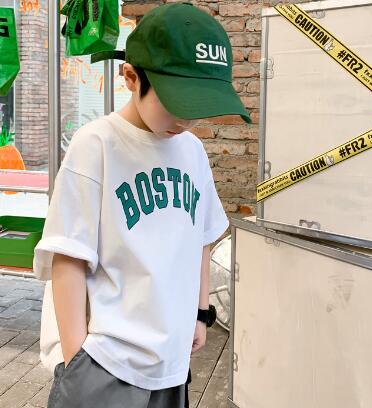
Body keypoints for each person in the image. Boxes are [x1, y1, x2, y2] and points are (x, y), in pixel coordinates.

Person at [33, 2, 251, 408]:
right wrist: (76, 361)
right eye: (176, 102)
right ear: (131, 77)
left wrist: (200, 314)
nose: (185, 120)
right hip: (106, 361)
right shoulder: (96, 144)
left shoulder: (192, 151)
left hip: (171, 360)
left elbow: (202, 239)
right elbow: (68, 256)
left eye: (198, 107)